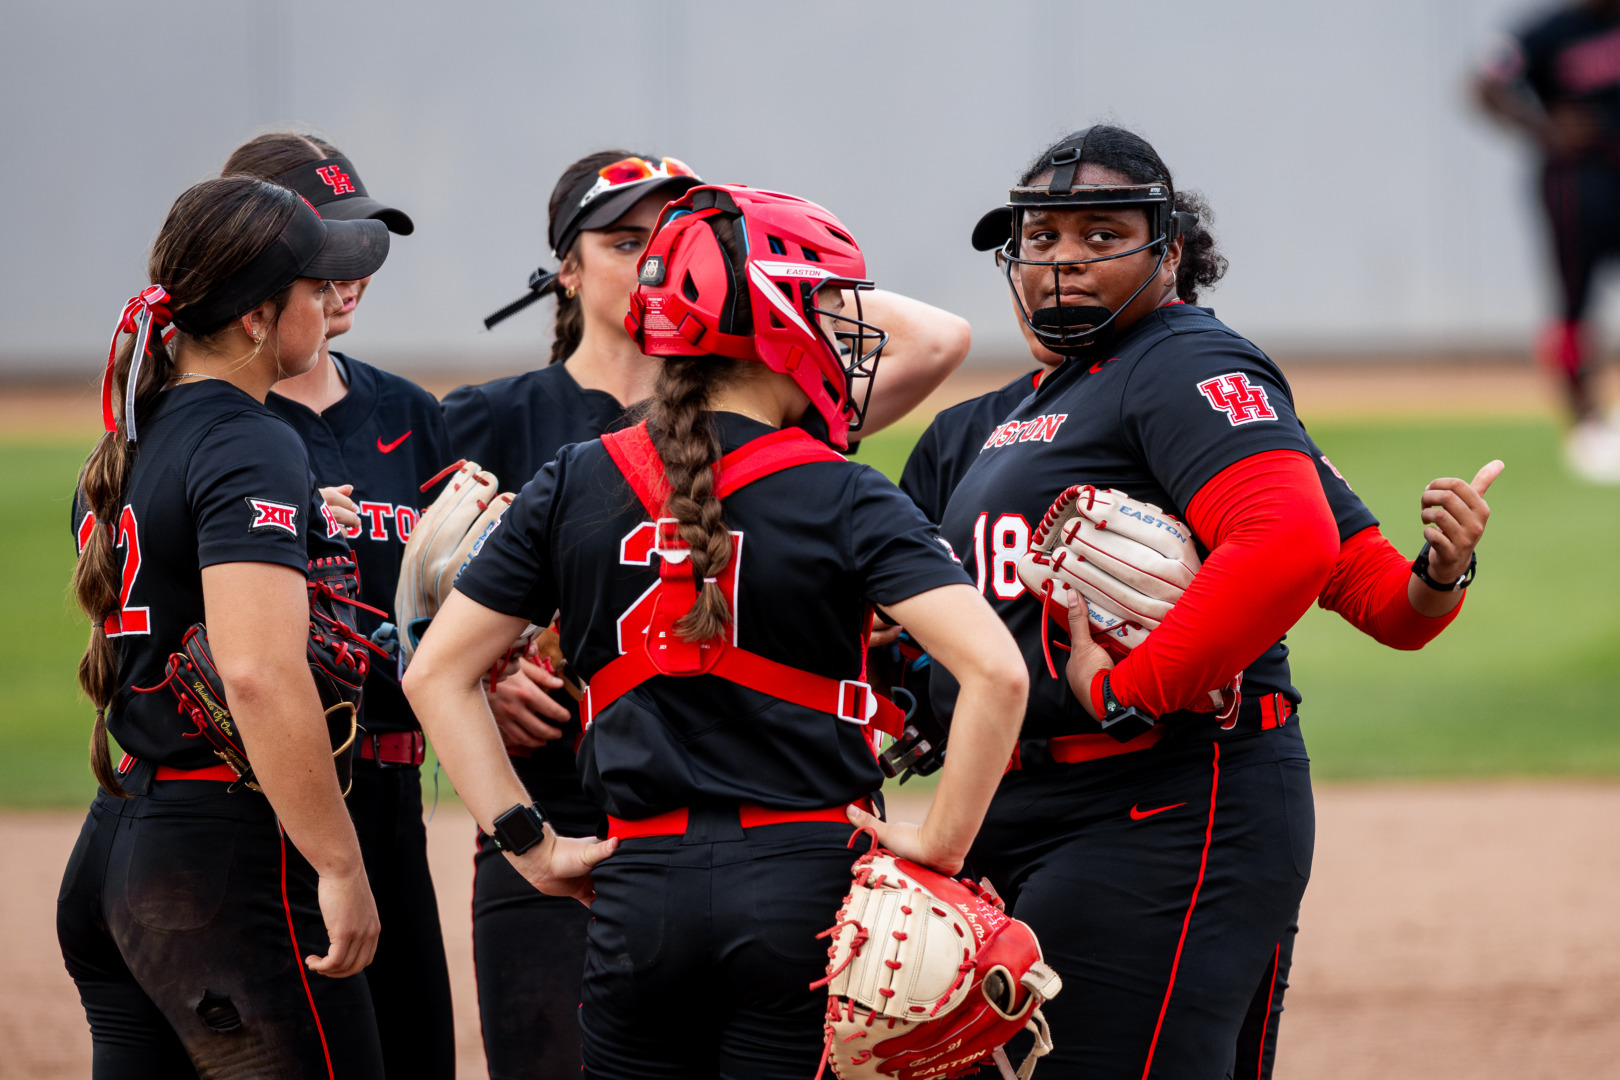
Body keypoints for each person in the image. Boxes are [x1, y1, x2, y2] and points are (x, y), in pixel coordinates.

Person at [405, 183, 1025, 1079]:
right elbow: (997, 675)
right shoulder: (844, 491)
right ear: (778, 323)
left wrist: (531, 846)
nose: (843, 331)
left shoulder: (572, 478)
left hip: (636, 889)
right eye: (826, 307)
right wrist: (941, 846)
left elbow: (435, 675)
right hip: (807, 887)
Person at [931, 125, 1501, 1077]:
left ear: (1171, 249)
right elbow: (1379, 595)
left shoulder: (1186, 365)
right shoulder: (999, 418)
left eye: (1100, 233)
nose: (1064, 259)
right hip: (1030, 805)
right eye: (1040, 238)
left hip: (1164, 802)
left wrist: (1128, 690)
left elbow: (1310, 556)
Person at [57, 176, 392, 1078]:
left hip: (119, 840)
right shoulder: (251, 438)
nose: (330, 304)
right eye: (312, 289)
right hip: (221, 867)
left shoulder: (139, 431)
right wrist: (341, 864)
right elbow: (255, 673)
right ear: (254, 318)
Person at [221, 131, 457, 1080]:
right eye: (328, 254)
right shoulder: (222, 424)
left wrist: (498, 665)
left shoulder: (408, 409)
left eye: (364, 248)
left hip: (392, 791)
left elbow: (448, 601)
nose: (350, 277)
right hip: (267, 796)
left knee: (415, 1055)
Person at [1475, 0, 1620, 481]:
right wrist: (1541, 127)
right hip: (1576, 182)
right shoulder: (1547, 32)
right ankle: (1586, 422)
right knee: (1574, 302)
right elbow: (1484, 84)